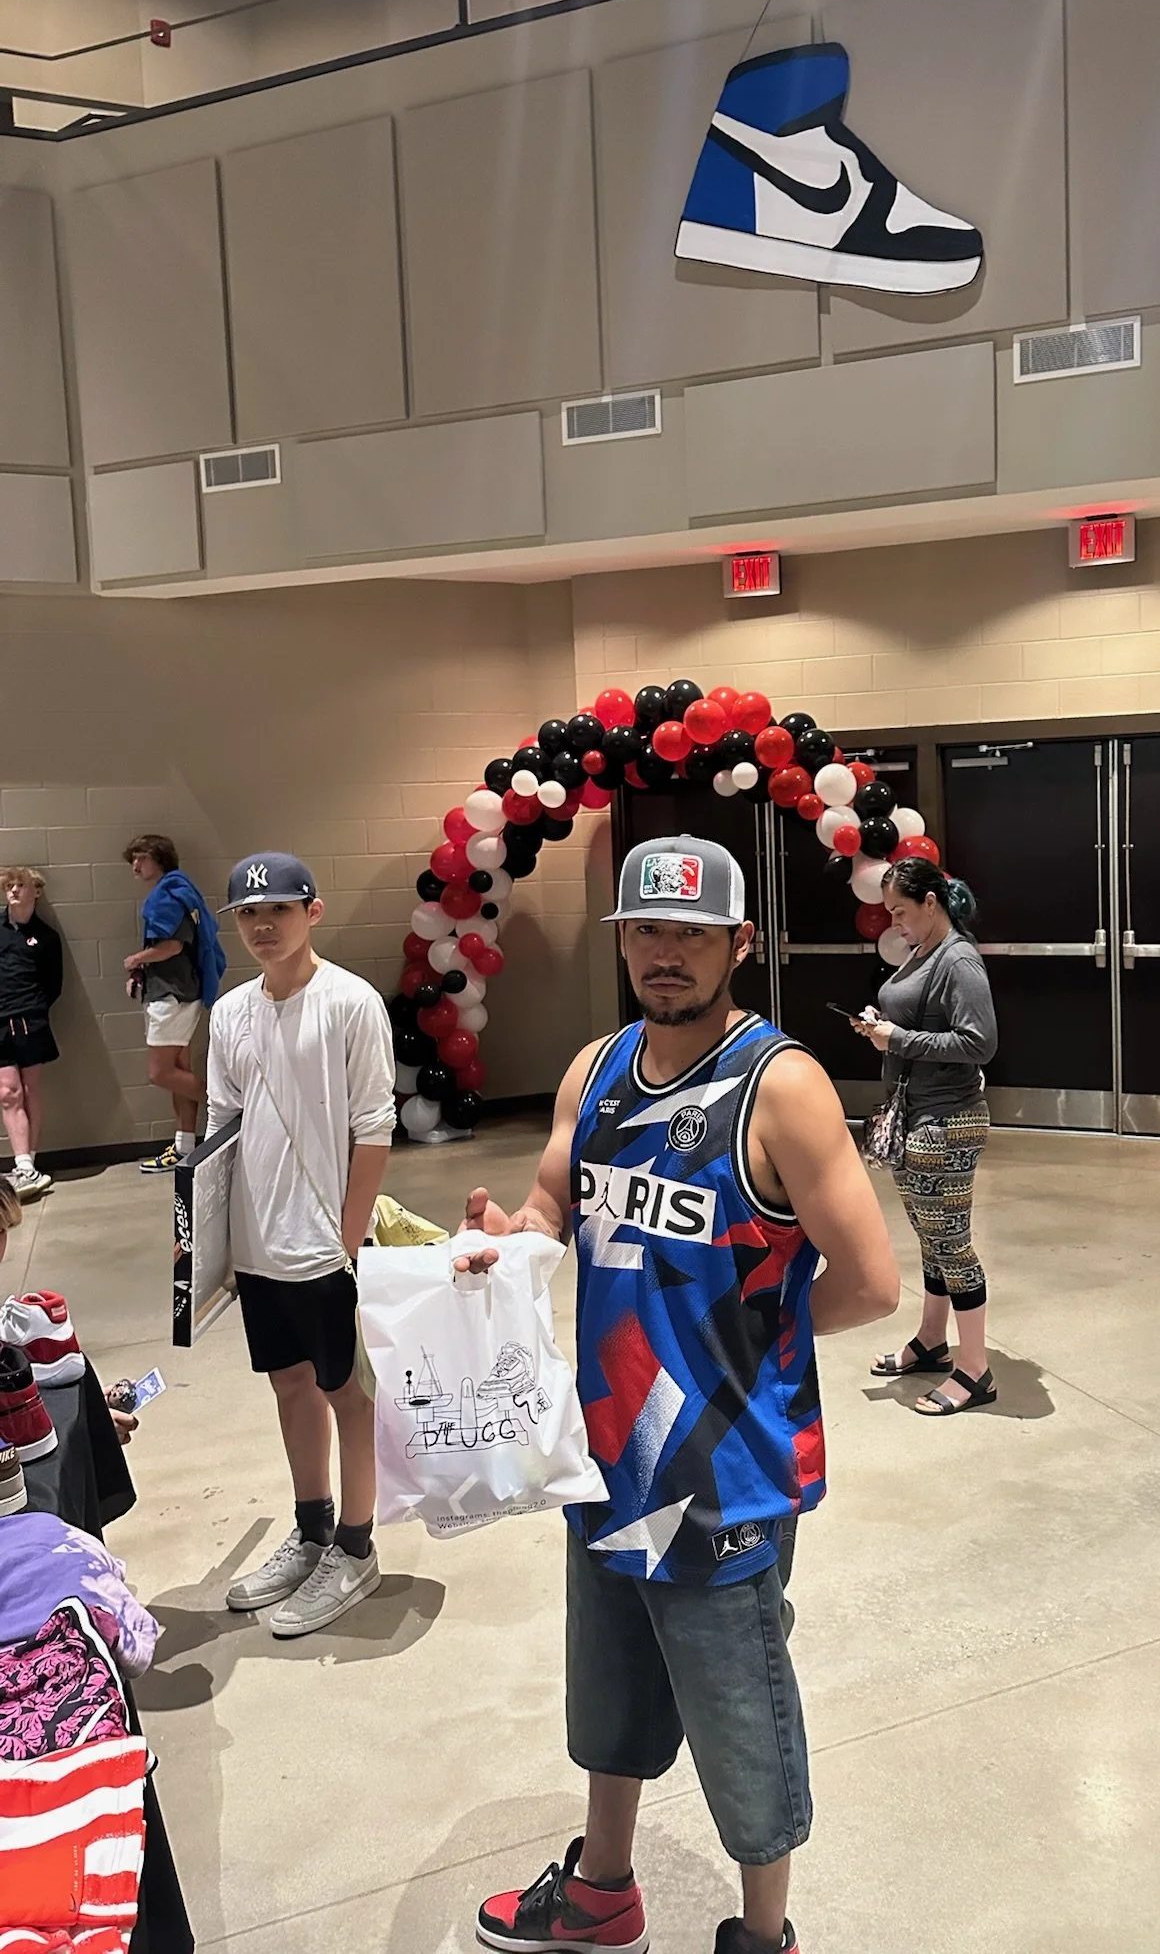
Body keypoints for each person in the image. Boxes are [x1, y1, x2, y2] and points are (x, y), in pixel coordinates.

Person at [457, 835, 900, 1954]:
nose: (667, 952)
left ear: (738, 944)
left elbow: (874, 1284)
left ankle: (765, 1934)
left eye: (693, 933)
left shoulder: (779, 1084)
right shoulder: (596, 1067)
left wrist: (745, 1345)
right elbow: (555, 1205)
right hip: (601, 1446)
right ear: (622, 937)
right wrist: (509, 1243)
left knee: (736, 1703)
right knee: (609, 1677)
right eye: (648, 928)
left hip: (723, 1467)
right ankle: (603, 1890)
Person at [205, 852, 396, 1639]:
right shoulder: (229, 1014)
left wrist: (348, 1243)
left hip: (325, 1248)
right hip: (258, 1245)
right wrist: (212, 1255)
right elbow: (218, 1133)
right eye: (248, 914)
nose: (261, 926)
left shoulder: (350, 1003)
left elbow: (373, 1129)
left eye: (277, 911)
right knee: (288, 1388)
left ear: (312, 912)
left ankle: (356, 1545)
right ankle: (312, 1529)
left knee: (347, 1393)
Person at [862, 858, 999, 1415]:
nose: (894, 922)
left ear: (930, 902)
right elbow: (919, 1024)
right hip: (916, 1115)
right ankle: (932, 1340)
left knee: (952, 1245)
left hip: (948, 1119)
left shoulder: (959, 959)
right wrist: (883, 1027)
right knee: (932, 1239)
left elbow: (978, 1043)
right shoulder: (924, 953)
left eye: (899, 910)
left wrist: (899, 1038)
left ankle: (975, 1370)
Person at [123, 835, 227, 1175]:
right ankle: (184, 1148)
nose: (136, 866)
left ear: (160, 859)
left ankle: (234, 1110)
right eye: (133, 860)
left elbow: (172, 946)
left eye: (141, 858)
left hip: (171, 995)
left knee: (161, 1073)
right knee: (178, 1071)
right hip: (179, 990)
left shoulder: (167, 895)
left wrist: (135, 959)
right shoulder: (180, 891)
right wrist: (142, 970)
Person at [0, 867, 63, 1203]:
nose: (13, 891)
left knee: (27, 1089)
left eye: (20, 885)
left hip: (29, 1020)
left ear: (35, 891)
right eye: (9, 886)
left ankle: (28, 1165)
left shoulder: (46, 937)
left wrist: (34, 1010)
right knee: (7, 1093)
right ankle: (23, 1166)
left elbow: (54, 985)